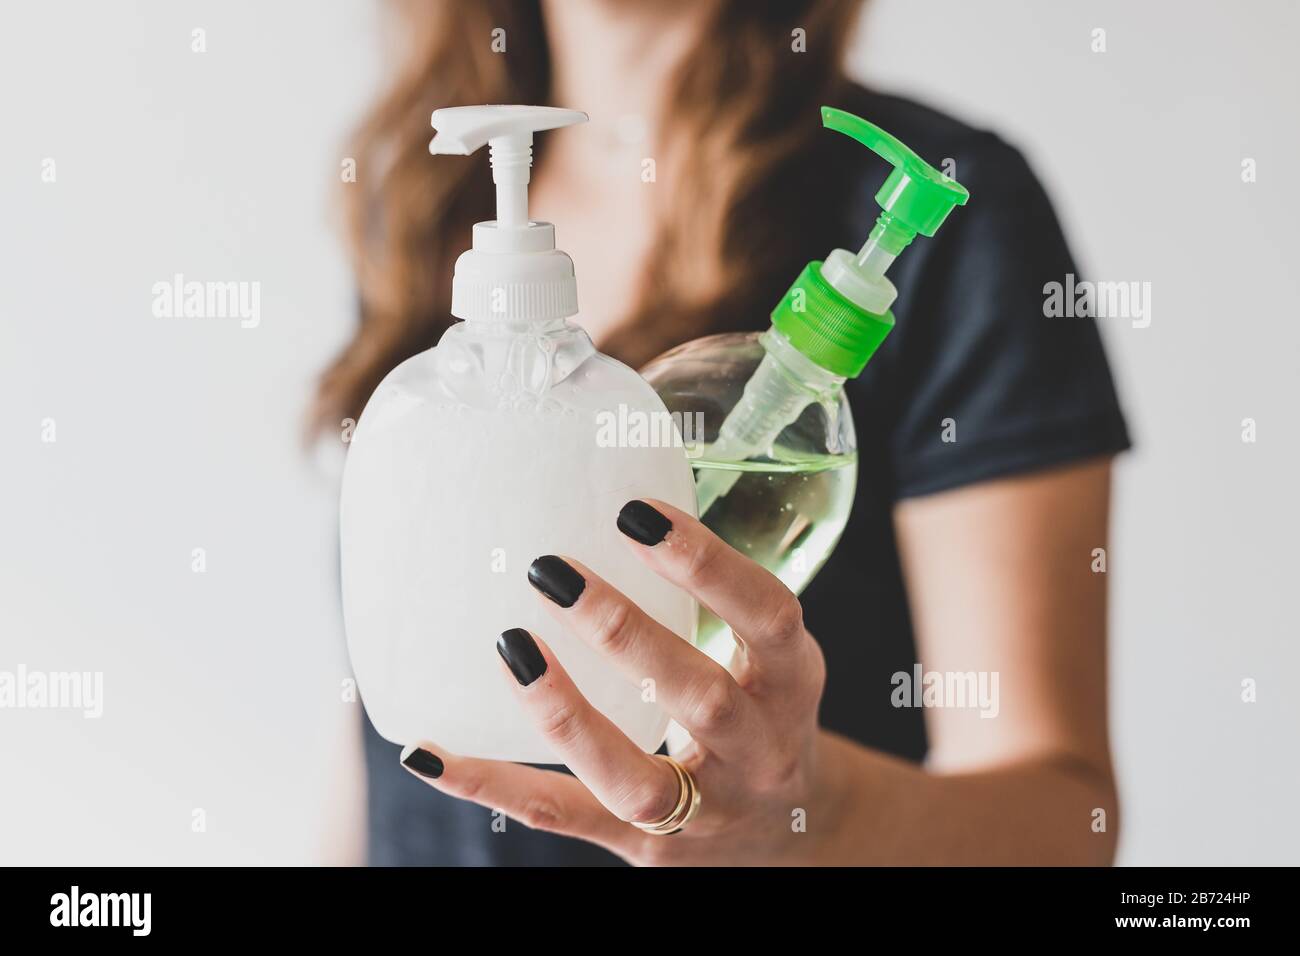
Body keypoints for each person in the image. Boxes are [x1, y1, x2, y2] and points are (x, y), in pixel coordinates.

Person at [314, 0, 1130, 865]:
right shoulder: (426, 194)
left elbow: (1063, 822)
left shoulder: (959, 224)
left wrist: (812, 818)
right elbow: (394, 703)